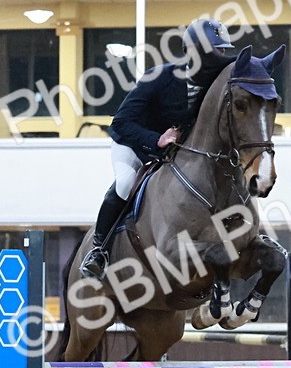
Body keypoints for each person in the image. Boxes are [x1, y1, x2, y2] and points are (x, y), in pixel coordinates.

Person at [79, 18, 238, 279]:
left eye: (222, 51)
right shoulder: (160, 76)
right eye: (214, 51)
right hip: (133, 144)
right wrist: (156, 139)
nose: (219, 57)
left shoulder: (214, 88)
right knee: (126, 182)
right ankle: (99, 250)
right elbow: (121, 122)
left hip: (173, 153)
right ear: (194, 53)